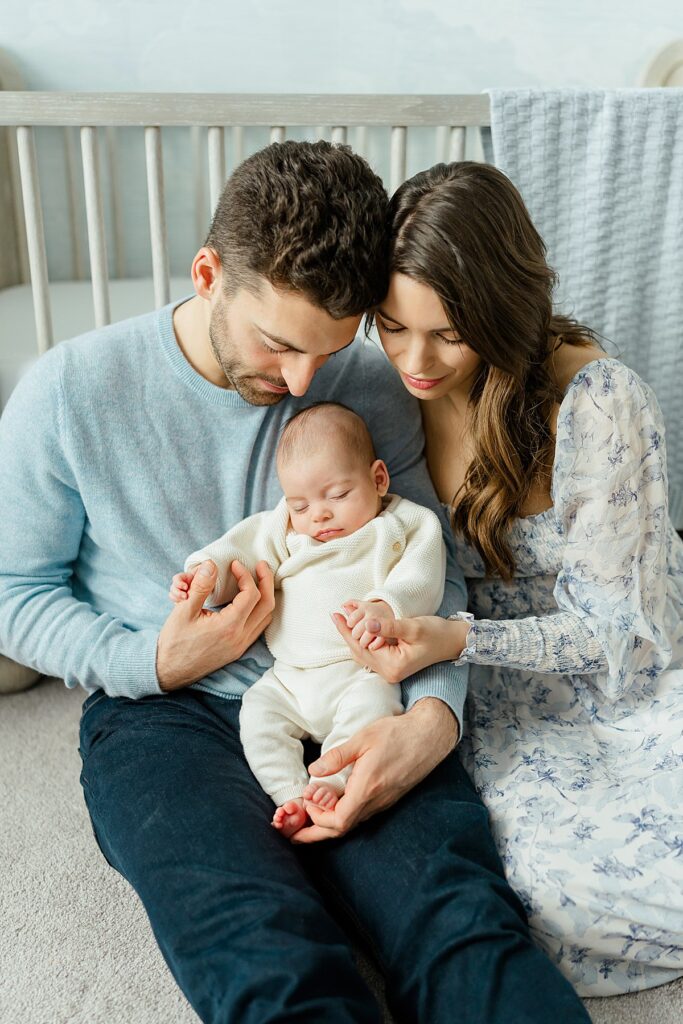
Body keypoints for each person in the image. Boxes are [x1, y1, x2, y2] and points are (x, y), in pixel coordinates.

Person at [0, 141, 591, 1023]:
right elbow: (13, 592)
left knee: (459, 924)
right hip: (162, 711)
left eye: (329, 348)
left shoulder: (362, 387)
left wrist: (431, 718)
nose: (302, 383)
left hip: (363, 680)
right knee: (258, 950)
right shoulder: (67, 393)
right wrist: (151, 661)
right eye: (278, 345)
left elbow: (426, 574)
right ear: (208, 274)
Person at [330, 159, 683, 998]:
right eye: (390, 324)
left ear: (499, 309)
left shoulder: (593, 401)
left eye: (448, 333)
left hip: (619, 664)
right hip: (488, 683)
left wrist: (456, 636)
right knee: (524, 899)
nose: (414, 359)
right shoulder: (381, 390)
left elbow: (620, 635)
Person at [170, 401, 445, 836]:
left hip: (361, 673)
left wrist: (387, 606)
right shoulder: (284, 529)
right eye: (300, 504)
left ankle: (331, 783)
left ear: (377, 478)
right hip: (290, 678)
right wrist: (205, 576)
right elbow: (239, 552)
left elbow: (424, 573)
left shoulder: (401, 524)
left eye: (337, 495)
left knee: (374, 710)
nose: (318, 514)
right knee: (256, 716)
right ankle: (292, 794)